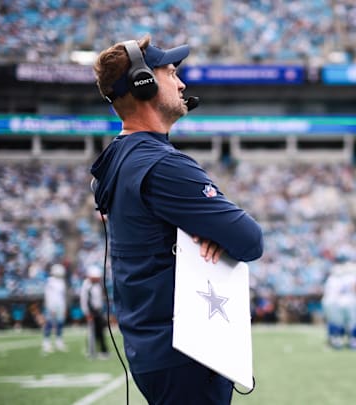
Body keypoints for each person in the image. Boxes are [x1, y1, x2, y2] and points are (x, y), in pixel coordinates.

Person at [91, 35, 263, 405]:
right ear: (144, 83)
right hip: (185, 353)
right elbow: (250, 240)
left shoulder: (117, 159)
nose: (182, 83)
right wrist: (210, 233)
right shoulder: (162, 164)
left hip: (153, 350)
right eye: (171, 73)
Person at [80, 265, 109, 359]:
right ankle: (91, 352)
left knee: (100, 331)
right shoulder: (86, 285)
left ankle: (104, 351)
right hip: (91, 312)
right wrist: (87, 313)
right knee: (91, 333)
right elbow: (84, 300)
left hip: (98, 311)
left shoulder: (98, 284)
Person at [43, 263, 68, 353]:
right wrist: (50, 307)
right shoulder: (50, 281)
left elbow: (62, 296)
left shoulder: (62, 282)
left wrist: (64, 307)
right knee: (49, 324)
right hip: (52, 306)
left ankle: (59, 341)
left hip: (60, 306)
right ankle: (46, 342)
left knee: (60, 324)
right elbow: (48, 295)